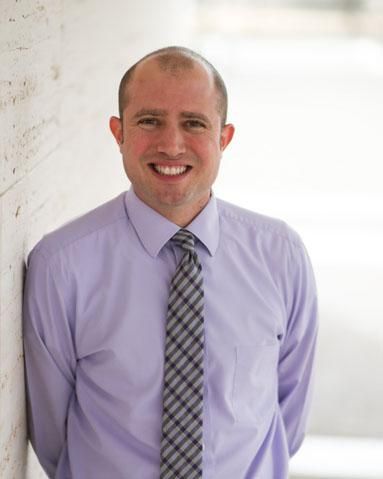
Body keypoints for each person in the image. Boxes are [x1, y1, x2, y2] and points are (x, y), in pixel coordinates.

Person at [23, 46, 318, 478]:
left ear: (225, 137)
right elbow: (52, 436)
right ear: (118, 132)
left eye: (194, 123)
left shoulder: (280, 257)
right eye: (149, 121)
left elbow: (287, 421)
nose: (171, 144)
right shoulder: (61, 266)